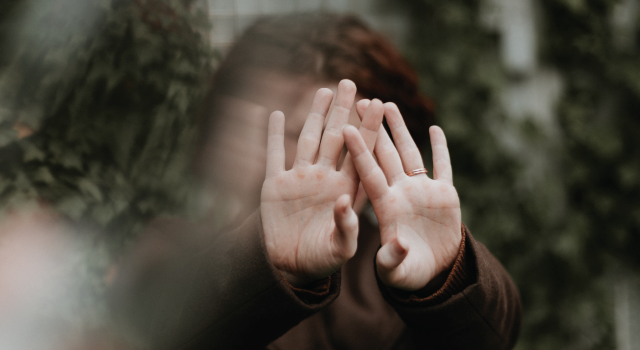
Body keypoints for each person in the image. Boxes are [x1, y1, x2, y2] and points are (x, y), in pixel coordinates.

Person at [110, 13, 521, 349]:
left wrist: (447, 279)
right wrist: (272, 265)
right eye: (260, 124)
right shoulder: (172, 251)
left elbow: (493, 336)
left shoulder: (400, 279)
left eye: (325, 136)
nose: (267, 152)